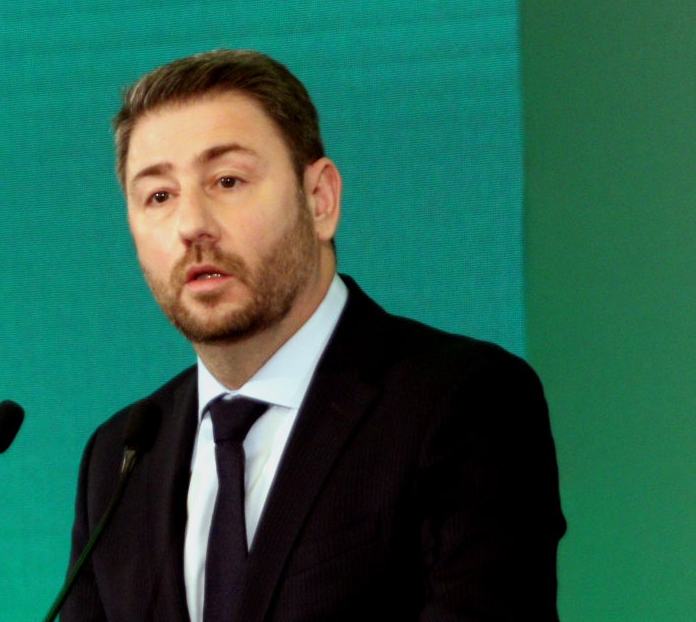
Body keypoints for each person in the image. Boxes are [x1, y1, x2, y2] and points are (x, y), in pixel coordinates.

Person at [62, 49, 565, 622]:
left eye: (227, 181)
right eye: (159, 195)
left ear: (320, 200)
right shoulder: (119, 460)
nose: (191, 225)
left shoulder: (462, 402)